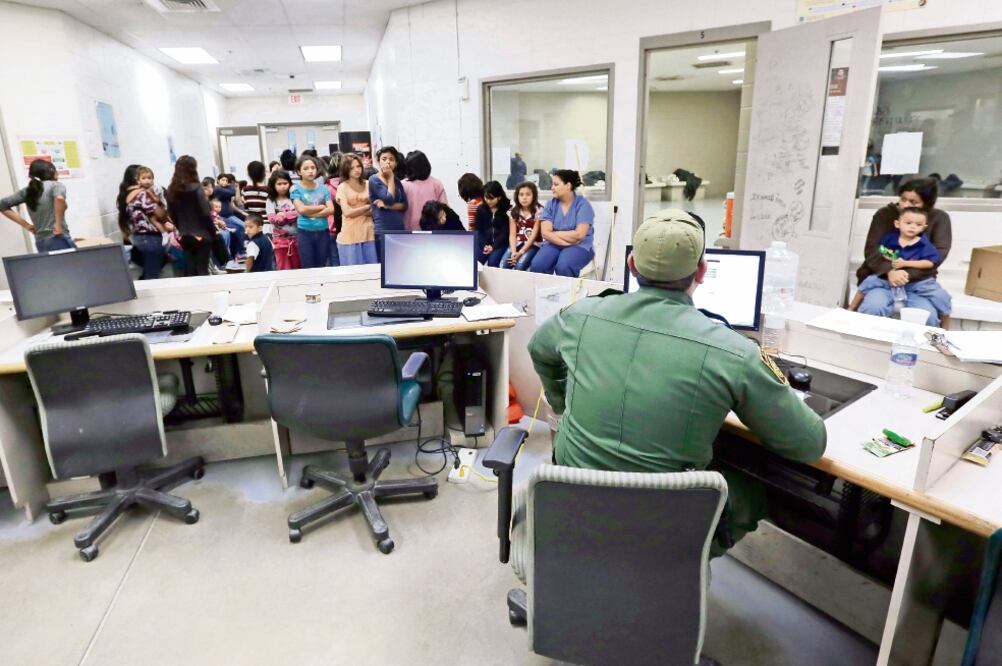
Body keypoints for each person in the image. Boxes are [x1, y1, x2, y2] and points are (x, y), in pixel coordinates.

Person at [528, 209, 827, 554]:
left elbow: (538, 348)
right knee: (754, 487)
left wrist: (563, 402)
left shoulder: (580, 317)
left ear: (631, 265)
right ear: (701, 272)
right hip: (665, 528)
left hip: (578, 500)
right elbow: (808, 444)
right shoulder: (734, 352)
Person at [856, 177, 951, 309]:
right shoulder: (884, 214)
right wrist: (889, 271)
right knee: (874, 307)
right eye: (903, 199)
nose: (905, 205)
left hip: (918, 283)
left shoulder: (940, 218)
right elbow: (872, 250)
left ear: (926, 204)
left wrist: (905, 275)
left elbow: (937, 255)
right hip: (881, 277)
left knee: (928, 316)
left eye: (913, 202)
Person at [858, 207, 951, 326]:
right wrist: (889, 267)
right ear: (897, 224)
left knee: (929, 316)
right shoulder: (889, 238)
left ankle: (939, 331)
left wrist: (905, 264)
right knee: (872, 307)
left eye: (918, 224)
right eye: (908, 223)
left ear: (924, 227)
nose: (912, 227)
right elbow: (879, 253)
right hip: (886, 283)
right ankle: (854, 313)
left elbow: (931, 262)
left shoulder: (924, 244)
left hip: (915, 287)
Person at [0, 159, 76, 252]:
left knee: (52, 266)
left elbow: (2, 205)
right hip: (58, 238)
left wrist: (27, 226)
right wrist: (58, 225)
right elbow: (59, 199)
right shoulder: (56, 185)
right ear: (51, 171)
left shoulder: (27, 191)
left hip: (41, 242)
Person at [529, 169, 594, 277]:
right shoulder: (551, 204)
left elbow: (579, 235)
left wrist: (554, 233)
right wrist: (566, 243)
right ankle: (544, 293)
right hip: (556, 243)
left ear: (568, 185)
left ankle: (568, 294)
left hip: (580, 246)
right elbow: (545, 233)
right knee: (537, 266)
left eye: (556, 184)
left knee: (564, 267)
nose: (552, 188)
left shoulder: (583, 205)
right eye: (552, 184)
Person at [166, 155, 216, 276]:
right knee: (202, 268)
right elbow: (205, 212)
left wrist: (180, 228)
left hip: (184, 234)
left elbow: (172, 213)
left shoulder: (171, 189)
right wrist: (212, 230)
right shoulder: (196, 188)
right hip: (201, 233)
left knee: (190, 268)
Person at [124, 166, 173, 280]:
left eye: (149, 178)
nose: (147, 180)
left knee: (150, 269)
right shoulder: (141, 194)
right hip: (149, 236)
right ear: (138, 179)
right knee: (152, 272)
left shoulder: (130, 194)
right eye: (144, 178)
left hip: (139, 235)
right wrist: (162, 208)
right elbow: (159, 214)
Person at [290, 155, 333, 268]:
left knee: (322, 265)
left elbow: (331, 209)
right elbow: (301, 209)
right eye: (306, 168)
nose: (310, 171)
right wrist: (321, 207)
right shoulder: (295, 189)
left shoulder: (323, 188)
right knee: (308, 267)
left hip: (323, 231)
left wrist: (308, 213)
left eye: (313, 167)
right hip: (304, 232)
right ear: (299, 171)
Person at [335, 154, 378, 265]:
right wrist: (367, 206)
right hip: (350, 234)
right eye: (352, 168)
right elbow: (347, 212)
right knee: (353, 272)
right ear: (345, 169)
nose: (356, 170)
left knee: (371, 271)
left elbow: (376, 210)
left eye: (358, 166)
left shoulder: (369, 184)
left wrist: (358, 210)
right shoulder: (342, 187)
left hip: (368, 232)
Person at [368, 146, 408, 258]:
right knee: (385, 265)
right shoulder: (374, 179)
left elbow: (405, 205)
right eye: (384, 159)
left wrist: (387, 206)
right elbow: (389, 199)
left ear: (396, 163)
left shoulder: (397, 181)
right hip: (383, 229)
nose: (388, 162)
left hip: (399, 227)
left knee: (399, 262)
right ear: (378, 161)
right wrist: (390, 178)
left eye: (391, 159)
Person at [402, 150, 448, 231]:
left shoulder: (402, 185)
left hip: (408, 231)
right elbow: (444, 209)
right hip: (433, 229)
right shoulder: (436, 184)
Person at [501, 181, 542, 270]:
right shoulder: (513, 211)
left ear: (534, 196)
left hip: (533, 244)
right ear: (517, 196)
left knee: (520, 265)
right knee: (503, 266)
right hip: (517, 243)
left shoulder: (539, 211)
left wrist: (521, 252)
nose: (524, 198)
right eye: (521, 194)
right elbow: (512, 234)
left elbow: (534, 236)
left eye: (528, 194)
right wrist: (513, 251)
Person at [266, 170, 300, 270]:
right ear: (273, 185)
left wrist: (284, 215)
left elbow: (300, 212)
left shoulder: (294, 197)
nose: (283, 186)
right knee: (283, 266)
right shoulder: (271, 200)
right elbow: (272, 218)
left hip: (296, 239)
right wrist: (289, 216)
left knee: (297, 265)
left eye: (285, 183)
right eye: (279, 184)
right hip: (279, 241)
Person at [474, 181, 510, 267]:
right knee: (476, 261)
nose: (488, 201)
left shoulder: (507, 209)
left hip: (501, 243)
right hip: (485, 243)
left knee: (493, 262)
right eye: (486, 198)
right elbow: (479, 230)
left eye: (491, 198)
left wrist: (493, 246)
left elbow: (505, 232)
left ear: (499, 197)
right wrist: (485, 245)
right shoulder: (481, 209)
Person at [214, 174, 246, 260]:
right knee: (240, 227)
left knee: (242, 226)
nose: (224, 182)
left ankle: (240, 251)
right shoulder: (217, 189)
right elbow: (232, 192)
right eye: (222, 180)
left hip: (230, 215)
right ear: (218, 180)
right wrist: (232, 187)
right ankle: (241, 251)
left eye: (226, 180)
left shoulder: (226, 189)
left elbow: (235, 198)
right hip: (223, 217)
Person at [242, 161, 270, 232]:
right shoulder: (268, 190)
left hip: (251, 224)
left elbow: (246, 208)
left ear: (249, 174)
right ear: (263, 174)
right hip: (266, 224)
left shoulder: (245, 190)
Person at [325, 157, 341, 267]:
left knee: (333, 258)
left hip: (330, 227)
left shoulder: (325, 187)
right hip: (347, 226)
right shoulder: (349, 184)